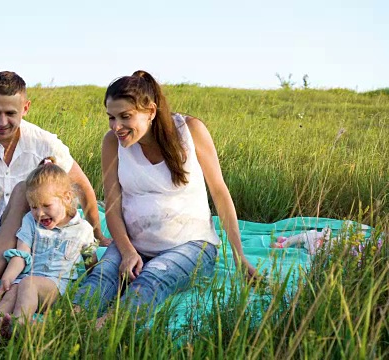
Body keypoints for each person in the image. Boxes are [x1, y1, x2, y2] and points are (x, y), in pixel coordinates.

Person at [73, 70, 259, 325]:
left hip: (191, 245)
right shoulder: (111, 143)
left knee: (153, 277)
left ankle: (104, 329)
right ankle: (60, 327)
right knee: (102, 277)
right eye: (111, 117)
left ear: (150, 111)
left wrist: (239, 257)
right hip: (134, 243)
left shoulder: (189, 130)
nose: (116, 126)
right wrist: (127, 251)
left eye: (125, 116)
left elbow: (219, 192)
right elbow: (113, 207)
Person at [0, 71, 107, 323]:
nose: (2, 121)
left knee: (24, 189)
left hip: (17, 229)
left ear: (25, 108)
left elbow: (81, 185)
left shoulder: (43, 141)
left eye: (11, 114)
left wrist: (98, 233)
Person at [0, 157, 97, 335]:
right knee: (12, 291)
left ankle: (19, 326)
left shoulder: (82, 229)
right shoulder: (30, 222)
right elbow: (21, 254)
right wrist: (8, 277)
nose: (39, 213)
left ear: (67, 198)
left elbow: (91, 263)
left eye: (46, 205)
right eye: (33, 207)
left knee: (28, 283)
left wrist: (88, 290)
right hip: (27, 281)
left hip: (56, 288)